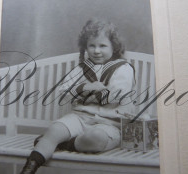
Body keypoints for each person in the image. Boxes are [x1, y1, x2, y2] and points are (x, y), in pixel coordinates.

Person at [20, 19, 135, 174]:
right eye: (91, 46)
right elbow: (64, 92)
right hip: (80, 117)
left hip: (109, 123)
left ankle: (66, 144)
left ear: (114, 47)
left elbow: (116, 95)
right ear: (85, 47)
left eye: (102, 46)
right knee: (54, 130)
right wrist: (85, 87)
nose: (96, 51)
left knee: (95, 139)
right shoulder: (81, 69)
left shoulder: (123, 68)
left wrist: (84, 94)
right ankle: (28, 169)